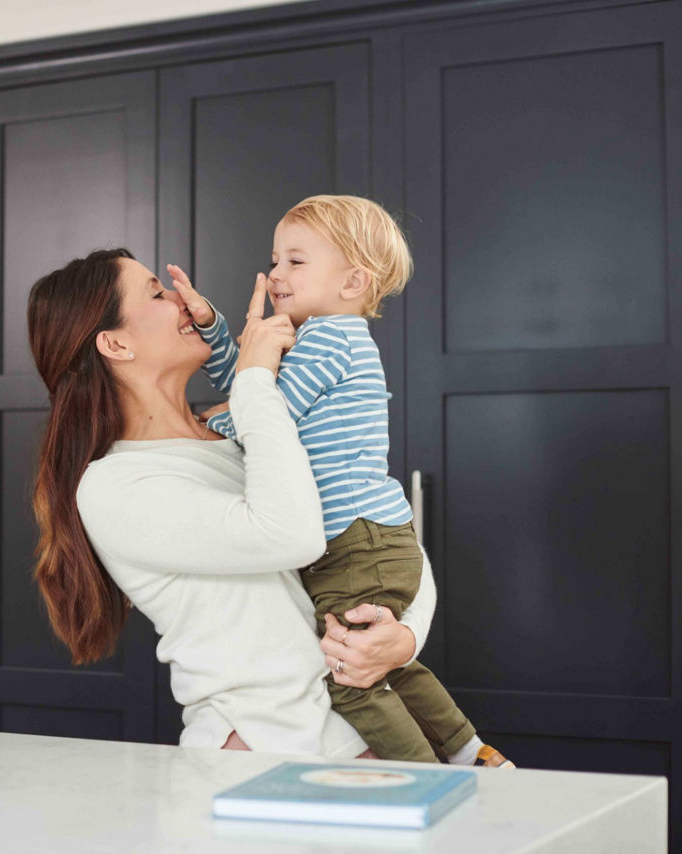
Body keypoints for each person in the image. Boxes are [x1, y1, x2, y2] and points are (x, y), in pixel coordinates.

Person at [27, 247, 434, 758]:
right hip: (262, 755)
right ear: (115, 343)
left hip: (364, 737)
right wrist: (256, 379)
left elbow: (384, 535)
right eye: (156, 292)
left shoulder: (244, 429)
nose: (181, 300)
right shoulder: (116, 486)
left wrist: (407, 638)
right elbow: (290, 535)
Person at [167, 194, 512, 768]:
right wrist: (214, 327)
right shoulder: (318, 338)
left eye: (295, 262)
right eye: (275, 259)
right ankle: (473, 756)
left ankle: (424, 780)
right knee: (391, 666)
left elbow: (267, 409)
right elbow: (251, 377)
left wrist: (204, 422)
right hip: (368, 536)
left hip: (353, 541)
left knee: (351, 677)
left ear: (353, 281)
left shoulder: (330, 338)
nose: (276, 274)